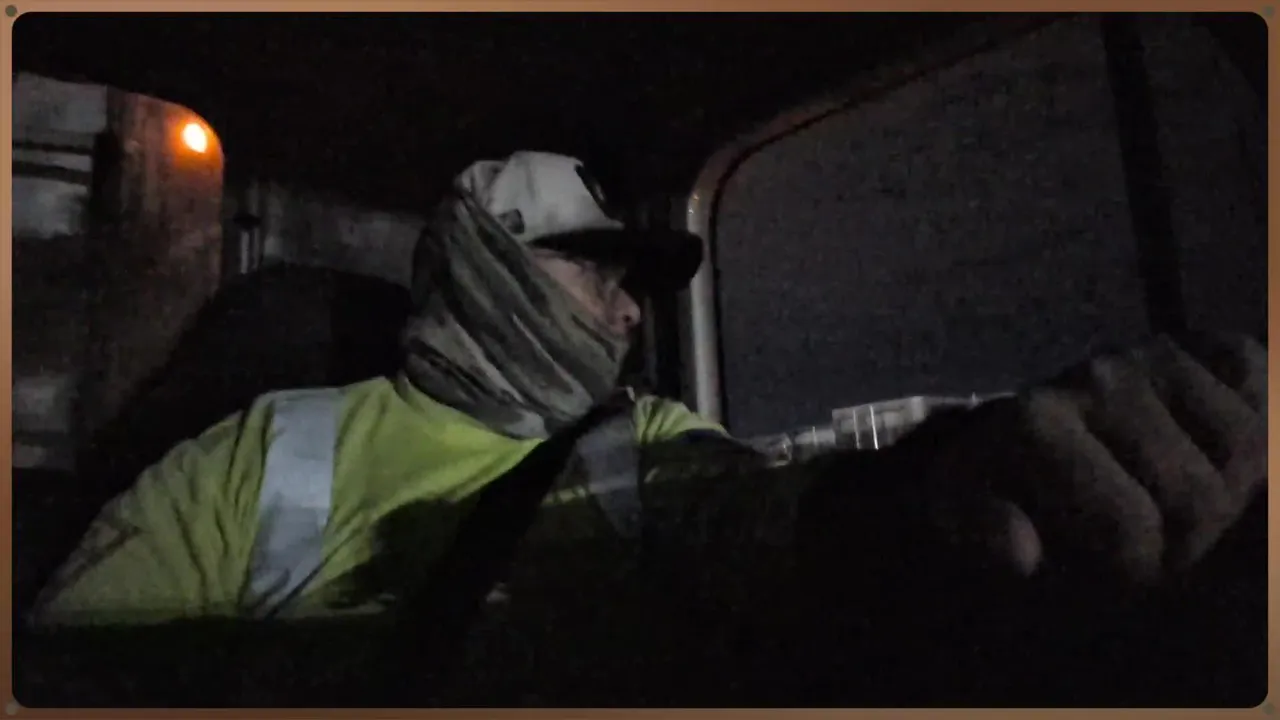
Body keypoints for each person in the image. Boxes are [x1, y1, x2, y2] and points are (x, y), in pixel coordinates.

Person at [28, 150, 1268, 702]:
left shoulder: (651, 441)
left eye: (635, 286)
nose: (629, 313)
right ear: (487, 264)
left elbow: (775, 520)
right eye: (596, 271)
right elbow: (72, 682)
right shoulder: (261, 450)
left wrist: (948, 493)